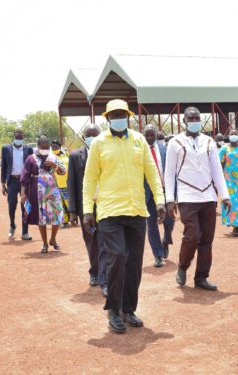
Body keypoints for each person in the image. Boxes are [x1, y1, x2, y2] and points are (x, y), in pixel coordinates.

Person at [82, 99, 166, 334]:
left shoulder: (139, 140)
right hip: (109, 211)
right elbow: (89, 179)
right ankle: (113, 310)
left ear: (128, 116)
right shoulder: (99, 143)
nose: (119, 117)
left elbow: (151, 172)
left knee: (134, 263)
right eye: (114, 114)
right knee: (117, 256)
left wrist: (160, 200)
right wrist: (88, 209)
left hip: (137, 210)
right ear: (107, 118)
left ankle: (129, 309)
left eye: (122, 114)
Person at [165, 107, 231, 292]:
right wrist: (170, 199)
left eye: (197, 118)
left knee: (207, 239)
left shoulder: (209, 141)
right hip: (187, 196)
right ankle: (183, 265)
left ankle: (201, 277)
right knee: (192, 235)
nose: (194, 120)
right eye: (190, 118)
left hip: (208, 196)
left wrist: (224, 196)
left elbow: (217, 170)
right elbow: (169, 172)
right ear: (184, 121)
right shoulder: (175, 142)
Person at [68, 125, 107, 293]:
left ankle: (104, 276)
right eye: (88, 135)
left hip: (106, 205)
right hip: (86, 207)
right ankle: (95, 272)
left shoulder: (107, 153)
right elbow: (72, 183)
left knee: (105, 241)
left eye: (95, 134)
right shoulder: (76, 156)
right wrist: (72, 211)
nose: (91, 137)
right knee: (91, 241)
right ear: (83, 137)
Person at [20, 136, 66, 253]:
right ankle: (45, 243)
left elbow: (63, 171)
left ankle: (53, 239)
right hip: (37, 191)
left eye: (47, 147)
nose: (45, 149)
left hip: (52, 190)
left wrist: (54, 166)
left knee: (57, 215)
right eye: (43, 147)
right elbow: (25, 176)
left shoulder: (53, 157)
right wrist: (23, 193)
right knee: (41, 218)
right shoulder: (31, 158)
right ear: (38, 146)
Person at [143, 125, 175, 268]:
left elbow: (172, 172)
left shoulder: (165, 150)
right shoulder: (140, 152)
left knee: (169, 221)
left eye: (152, 135)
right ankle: (158, 254)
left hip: (165, 190)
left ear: (156, 135)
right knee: (152, 225)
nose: (149, 138)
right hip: (148, 193)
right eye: (147, 135)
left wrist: (174, 194)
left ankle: (166, 239)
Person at [1, 129, 34, 240]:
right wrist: (2, 184)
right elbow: (4, 166)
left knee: (25, 206)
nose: (19, 139)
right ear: (14, 137)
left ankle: (25, 232)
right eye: (17, 137)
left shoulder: (28, 149)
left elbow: (32, 165)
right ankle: (12, 225)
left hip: (25, 181)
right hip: (12, 181)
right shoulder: (6, 149)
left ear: (23, 138)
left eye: (21, 138)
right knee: (11, 205)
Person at [218, 128, 238, 237]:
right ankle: (234, 227)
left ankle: (237, 226)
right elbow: (220, 166)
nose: (233, 135)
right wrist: (219, 180)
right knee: (231, 202)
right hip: (229, 181)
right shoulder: (224, 149)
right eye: (231, 133)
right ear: (228, 135)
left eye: (235, 133)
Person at [51, 140, 72, 228]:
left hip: (67, 183)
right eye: (53, 147)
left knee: (68, 202)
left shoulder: (66, 154)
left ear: (60, 147)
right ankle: (65, 221)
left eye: (56, 146)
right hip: (55, 184)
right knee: (60, 204)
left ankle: (73, 218)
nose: (54, 148)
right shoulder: (50, 156)